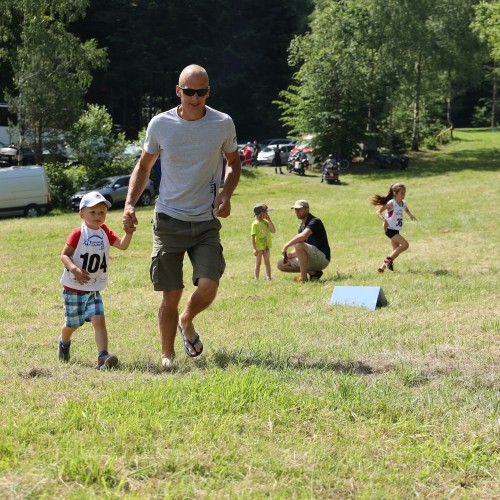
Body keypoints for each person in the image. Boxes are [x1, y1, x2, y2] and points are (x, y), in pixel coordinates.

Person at [122, 64, 241, 370]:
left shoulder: (222, 123)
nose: (195, 97)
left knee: (209, 285)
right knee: (170, 294)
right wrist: (130, 204)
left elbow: (233, 163)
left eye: (201, 92)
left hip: (205, 221)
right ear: (178, 91)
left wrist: (226, 194)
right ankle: (167, 356)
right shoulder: (160, 124)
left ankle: (187, 319)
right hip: (168, 220)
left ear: (208, 92)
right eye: (189, 91)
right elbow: (144, 167)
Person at [59, 191, 133, 369]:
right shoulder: (78, 233)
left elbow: (122, 246)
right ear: (82, 214)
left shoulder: (105, 232)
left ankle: (102, 356)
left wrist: (128, 233)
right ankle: (64, 340)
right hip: (74, 287)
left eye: (102, 212)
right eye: (93, 212)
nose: (98, 216)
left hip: (93, 287)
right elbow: (64, 255)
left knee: (99, 320)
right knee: (72, 324)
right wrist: (75, 269)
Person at [277, 200, 330, 282]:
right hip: (312, 258)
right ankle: (314, 273)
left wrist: (286, 245)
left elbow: (303, 236)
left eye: (299, 209)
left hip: (322, 259)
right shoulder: (301, 227)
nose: (297, 211)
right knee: (281, 264)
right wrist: (290, 255)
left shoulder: (315, 221)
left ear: (307, 210)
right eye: (295, 209)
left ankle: (303, 278)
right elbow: (303, 247)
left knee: (298, 244)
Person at [371, 183, 417, 273]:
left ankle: (381, 269)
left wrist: (411, 215)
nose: (404, 195)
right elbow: (378, 211)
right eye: (402, 193)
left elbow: (406, 210)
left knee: (395, 252)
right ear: (395, 193)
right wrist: (384, 220)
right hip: (389, 229)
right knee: (405, 245)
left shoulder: (403, 203)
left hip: (395, 229)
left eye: (404, 193)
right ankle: (387, 261)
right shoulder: (391, 203)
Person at [251, 203, 276, 281]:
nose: (267, 214)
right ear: (261, 213)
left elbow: (273, 231)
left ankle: (268, 277)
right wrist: (254, 248)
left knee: (267, 262)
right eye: (266, 212)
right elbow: (252, 237)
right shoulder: (255, 224)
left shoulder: (266, 222)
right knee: (258, 263)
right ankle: (256, 278)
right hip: (259, 247)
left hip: (266, 246)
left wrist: (269, 220)